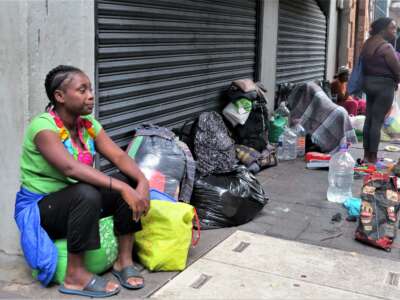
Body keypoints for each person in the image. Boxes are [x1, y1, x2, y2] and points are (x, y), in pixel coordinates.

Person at [14, 65, 150, 298]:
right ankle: (75, 276)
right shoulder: (43, 127)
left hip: (76, 200)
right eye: (82, 90)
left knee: (123, 181)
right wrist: (123, 187)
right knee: (89, 191)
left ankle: (123, 261)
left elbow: (118, 156)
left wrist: (141, 182)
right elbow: (71, 168)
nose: (91, 95)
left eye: (91, 89)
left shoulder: (87, 125)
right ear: (60, 96)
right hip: (41, 208)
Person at [360, 17, 400, 164]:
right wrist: (397, 80)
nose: (395, 31)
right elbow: (397, 70)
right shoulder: (386, 48)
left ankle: (365, 155)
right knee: (377, 122)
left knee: (369, 120)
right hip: (384, 86)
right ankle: (373, 157)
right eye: (393, 28)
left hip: (369, 83)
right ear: (383, 30)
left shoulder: (367, 44)